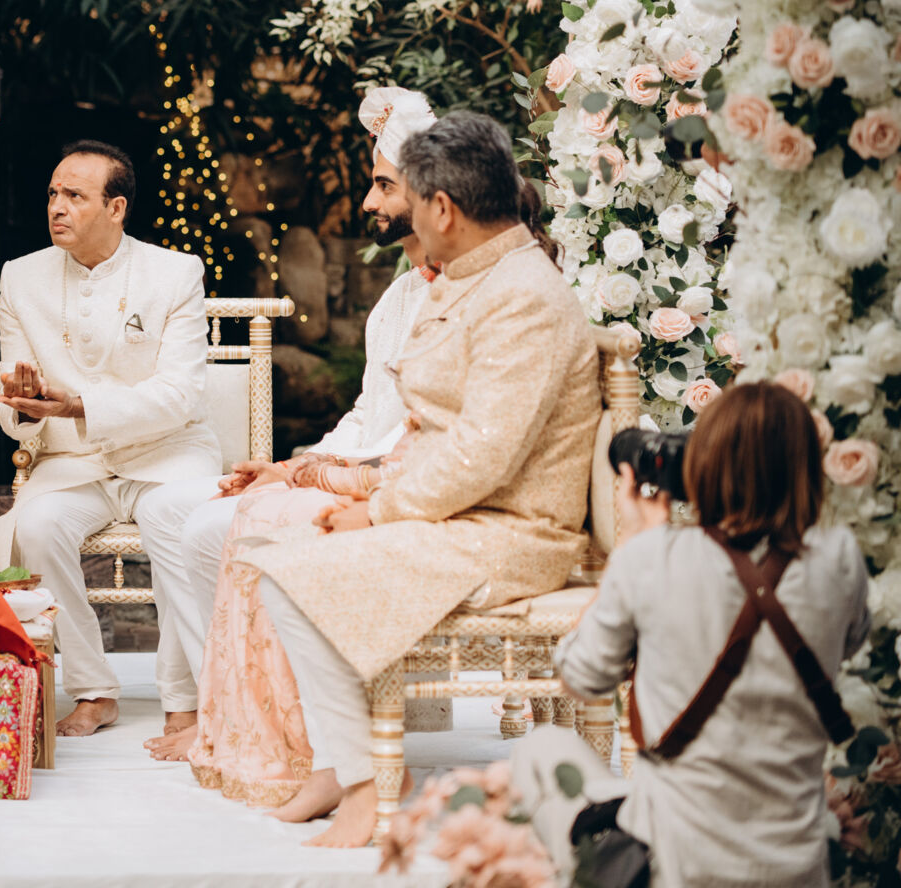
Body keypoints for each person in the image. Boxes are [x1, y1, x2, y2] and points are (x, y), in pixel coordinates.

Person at [248, 111, 600, 846]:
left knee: (292, 577)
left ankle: (367, 786)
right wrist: (363, 492)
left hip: (511, 533)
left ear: (442, 208)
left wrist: (378, 511)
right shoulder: (475, 276)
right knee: (286, 562)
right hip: (461, 515)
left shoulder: (522, 296)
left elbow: (482, 454)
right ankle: (354, 771)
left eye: (408, 196)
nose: (401, 212)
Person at [152, 87, 438, 797]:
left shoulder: (454, 297)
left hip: (390, 485)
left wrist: (304, 476)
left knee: (213, 530)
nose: (368, 202)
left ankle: (286, 730)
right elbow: (367, 413)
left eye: (383, 186)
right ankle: (229, 712)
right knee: (172, 515)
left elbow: (409, 441)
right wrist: (291, 464)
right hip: (349, 467)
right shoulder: (398, 297)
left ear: (432, 195)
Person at [514, 383, 870, 888]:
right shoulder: (839, 559)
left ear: (704, 465)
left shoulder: (651, 558)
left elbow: (580, 676)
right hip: (795, 868)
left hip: (676, 868)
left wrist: (631, 545)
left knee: (541, 749)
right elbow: (851, 641)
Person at [0, 140, 218, 737]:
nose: (56, 207)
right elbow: (12, 407)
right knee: (34, 528)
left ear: (116, 208)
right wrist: (26, 406)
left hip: (168, 453)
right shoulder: (21, 277)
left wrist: (80, 405)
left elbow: (179, 395)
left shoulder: (176, 273)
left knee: (175, 521)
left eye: (75, 195)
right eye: (53, 194)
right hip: (74, 460)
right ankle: (92, 691)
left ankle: (186, 701)